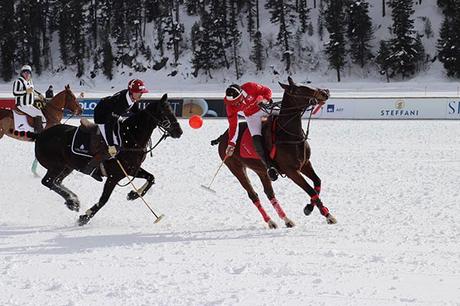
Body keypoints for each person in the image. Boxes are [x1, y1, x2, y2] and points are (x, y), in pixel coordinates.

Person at [82, 79, 148, 181]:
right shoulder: (122, 103)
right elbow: (109, 125)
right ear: (132, 92)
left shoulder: (131, 98)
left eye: (141, 93)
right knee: (115, 146)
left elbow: (135, 110)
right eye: (139, 93)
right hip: (102, 117)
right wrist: (111, 145)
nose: (141, 95)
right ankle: (90, 168)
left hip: (111, 114)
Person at [224, 82, 279, 181]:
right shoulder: (230, 106)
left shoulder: (250, 87)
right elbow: (233, 125)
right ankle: (269, 166)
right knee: (256, 139)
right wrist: (231, 143)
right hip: (251, 116)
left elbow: (267, 91)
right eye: (233, 103)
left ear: (242, 94)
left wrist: (264, 99)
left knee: (286, 115)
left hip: (264, 107)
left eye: (238, 101)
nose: (236, 105)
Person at [12, 65, 44, 133]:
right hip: (22, 105)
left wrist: (38, 95)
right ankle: (38, 133)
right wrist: (26, 92)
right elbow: (15, 93)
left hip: (30, 105)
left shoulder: (30, 81)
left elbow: (32, 90)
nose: (27, 74)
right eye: (25, 72)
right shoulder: (18, 81)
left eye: (28, 72)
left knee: (41, 113)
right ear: (22, 73)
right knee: (38, 114)